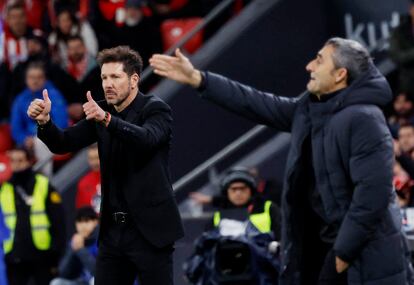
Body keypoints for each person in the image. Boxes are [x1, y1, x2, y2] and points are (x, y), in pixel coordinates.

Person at [150, 37, 414, 284]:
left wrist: (341, 257)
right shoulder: (309, 109)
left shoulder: (365, 119)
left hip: (358, 261)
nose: (309, 65)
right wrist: (199, 79)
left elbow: (371, 199)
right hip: (314, 254)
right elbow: (255, 103)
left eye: (319, 60)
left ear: (340, 75)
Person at [27, 45, 184, 285]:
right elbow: (63, 143)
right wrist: (46, 122)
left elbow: (146, 139)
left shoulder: (156, 109)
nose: (107, 83)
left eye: (115, 77)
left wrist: (107, 120)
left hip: (151, 234)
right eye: (103, 77)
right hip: (113, 233)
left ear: (134, 79)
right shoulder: (102, 110)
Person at [0, 147, 66, 285]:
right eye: (12, 161)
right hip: (15, 255)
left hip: (42, 254)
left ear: (29, 161)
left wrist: (56, 251)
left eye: (20, 160)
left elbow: (58, 221)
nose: (16, 164)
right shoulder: (5, 188)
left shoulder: (43, 184)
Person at [50, 206, 99, 285]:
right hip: (82, 282)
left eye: (87, 221)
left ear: (96, 222)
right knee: (56, 283)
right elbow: (62, 273)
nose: (83, 225)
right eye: (79, 221)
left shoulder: (101, 241)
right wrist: (73, 248)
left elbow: (99, 273)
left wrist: (81, 250)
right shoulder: (75, 241)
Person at [76, 144, 101, 213]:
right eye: (91, 159)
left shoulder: (115, 177)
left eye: (97, 158)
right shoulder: (83, 184)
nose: (94, 162)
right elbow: (81, 212)